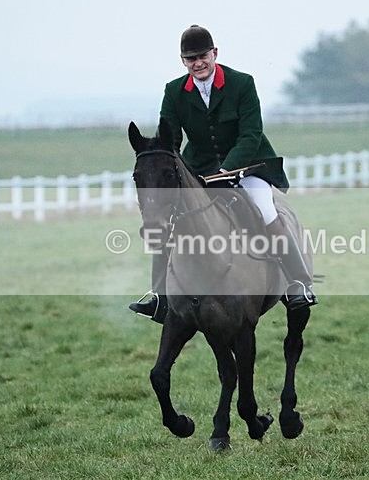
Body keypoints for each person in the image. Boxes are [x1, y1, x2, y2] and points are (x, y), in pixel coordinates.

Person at [129, 24, 317, 323]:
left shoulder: (242, 83)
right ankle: (159, 297)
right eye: (191, 59)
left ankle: (298, 282)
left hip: (249, 165)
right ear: (183, 61)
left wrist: (226, 169)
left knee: (267, 210)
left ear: (214, 53)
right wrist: (174, 171)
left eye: (203, 56)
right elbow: (171, 140)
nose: (198, 63)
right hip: (199, 169)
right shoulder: (174, 91)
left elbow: (252, 133)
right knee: (170, 219)